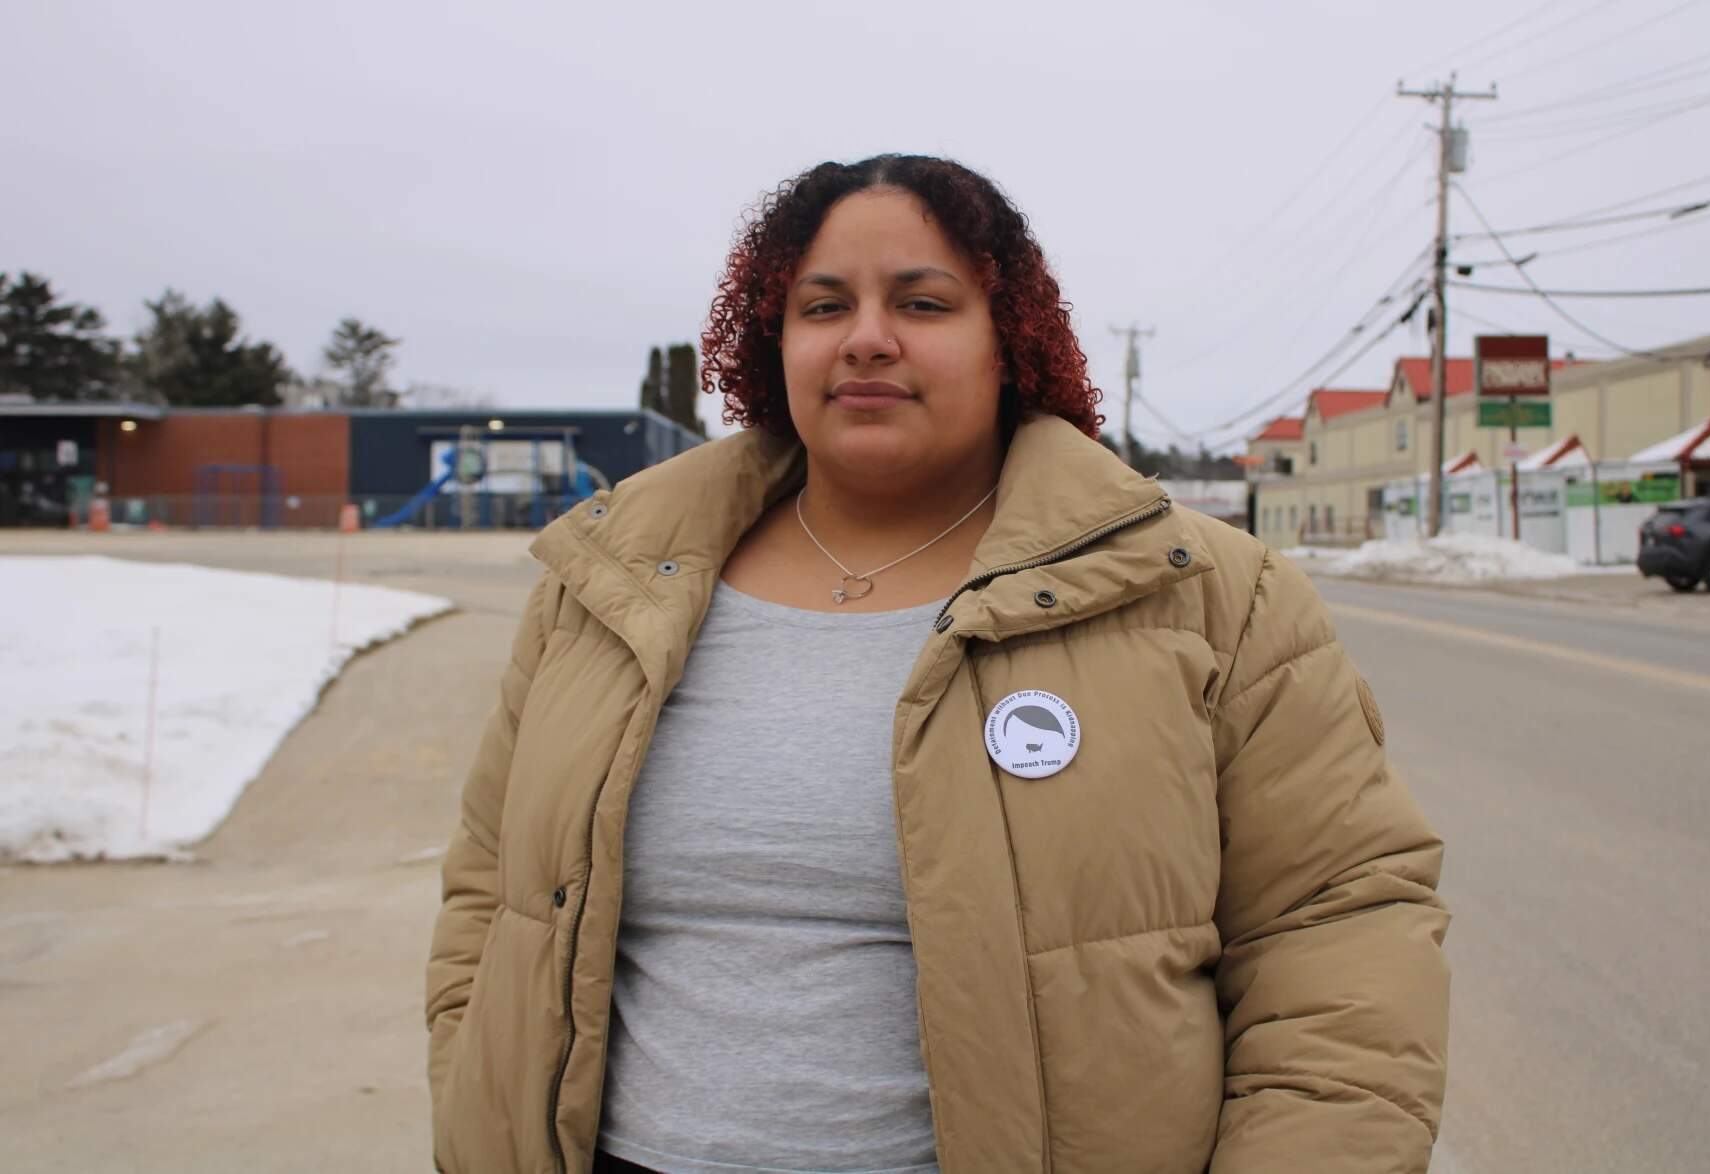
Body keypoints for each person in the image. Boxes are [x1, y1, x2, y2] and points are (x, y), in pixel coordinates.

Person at [426, 154, 1450, 1174]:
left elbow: (1338, 934)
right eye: (822, 306)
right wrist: (482, 1109)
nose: (866, 338)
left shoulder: (1206, 595)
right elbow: (491, 896)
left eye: (921, 302)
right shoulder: (603, 588)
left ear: (1009, 340)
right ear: (773, 341)